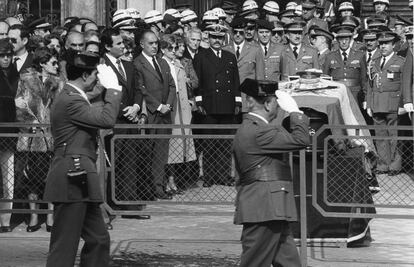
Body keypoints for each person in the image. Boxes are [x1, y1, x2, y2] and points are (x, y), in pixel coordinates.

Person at [43, 51, 122, 267]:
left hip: (79, 176)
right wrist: (114, 90)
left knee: (98, 239)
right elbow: (106, 119)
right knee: (64, 246)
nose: (98, 79)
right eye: (95, 74)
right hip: (72, 176)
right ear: (85, 75)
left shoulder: (75, 97)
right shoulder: (70, 100)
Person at [233, 79, 310, 267]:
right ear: (267, 104)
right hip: (264, 208)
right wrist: (295, 112)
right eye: (276, 101)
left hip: (270, 207)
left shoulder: (256, 128)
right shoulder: (259, 131)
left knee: (289, 262)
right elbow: (301, 139)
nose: (278, 106)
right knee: (255, 263)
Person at [14, 47, 63, 232]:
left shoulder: (59, 83)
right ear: (42, 63)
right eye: (53, 62)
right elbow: (18, 103)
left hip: (52, 136)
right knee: (30, 176)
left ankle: (50, 215)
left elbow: (63, 108)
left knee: (51, 176)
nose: (57, 66)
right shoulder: (25, 80)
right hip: (32, 135)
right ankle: (34, 216)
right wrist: (29, 121)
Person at [193, 24, 241, 187]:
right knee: (209, 143)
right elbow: (198, 82)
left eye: (220, 38)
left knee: (225, 143)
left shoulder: (230, 56)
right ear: (209, 38)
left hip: (227, 105)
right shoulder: (201, 56)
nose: (217, 40)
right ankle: (209, 176)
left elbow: (235, 81)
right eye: (214, 37)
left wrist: (237, 101)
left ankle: (224, 175)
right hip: (209, 105)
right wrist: (199, 101)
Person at [134, 29, 176, 200]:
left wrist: (168, 105)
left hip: (164, 115)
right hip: (151, 114)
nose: (154, 46)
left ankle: (158, 186)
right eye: (150, 43)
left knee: (161, 153)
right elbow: (141, 89)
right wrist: (158, 106)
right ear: (142, 44)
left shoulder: (163, 63)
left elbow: (172, 86)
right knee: (147, 153)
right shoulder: (137, 64)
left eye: (156, 43)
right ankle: (147, 188)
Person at [160, 34, 196, 194]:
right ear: (163, 49)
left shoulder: (179, 64)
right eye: (170, 48)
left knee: (181, 146)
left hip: (182, 109)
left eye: (175, 48)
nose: (174, 51)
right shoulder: (161, 64)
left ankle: (175, 181)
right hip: (170, 109)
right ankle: (167, 181)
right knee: (170, 146)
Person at [366, 31, 405, 176]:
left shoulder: (400, 61)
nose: (383, 46)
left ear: (393, 45)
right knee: (380, 135)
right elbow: (370, 84)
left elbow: (404, 85)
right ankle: (383, 164)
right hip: (377, 104)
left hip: (393, 104)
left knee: (394, 136)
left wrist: (402, 104)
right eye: (381, 43)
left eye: (386, 43)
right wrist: (369, 104)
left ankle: (395, 165)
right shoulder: (374, 62)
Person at [223, 17, 265, 114]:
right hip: (229, 98)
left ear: (245, 33)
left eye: (241, 32)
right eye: (235, 32)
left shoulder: (255, 50)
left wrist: (259, 100)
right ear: (231, 32)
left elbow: (260, 77)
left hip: (248, 99)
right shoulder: (225, 50)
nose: (238, 35)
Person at [323, 25, 367, 107]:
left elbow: (363, 78)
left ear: (350, 40)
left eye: (346, 39)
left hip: (355, 93)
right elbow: (325, 77)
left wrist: (365, 98)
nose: (344, 42)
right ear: (337, 40)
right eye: (341, 39)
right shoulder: (330, 56)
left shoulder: (360, 55)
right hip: (337, 92)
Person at [0, 38, 18, 233]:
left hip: (10, 134)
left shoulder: (16, 74)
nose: (5, 59)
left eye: (8, 55)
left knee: (9, 179)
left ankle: (5, 220)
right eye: (2, 55)